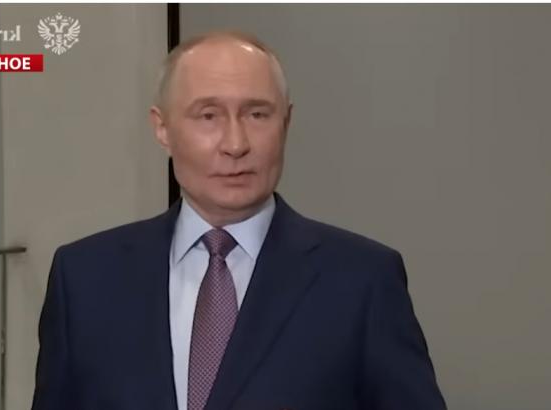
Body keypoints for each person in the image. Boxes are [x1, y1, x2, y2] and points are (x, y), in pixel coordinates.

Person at [31, 30, 447, 410]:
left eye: (257, 115)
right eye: (208, 115)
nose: (235, 144)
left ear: (286, 123)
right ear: (163, 129)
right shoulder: (84, 278)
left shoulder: (363, 280)